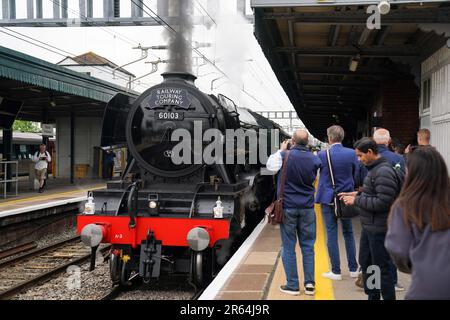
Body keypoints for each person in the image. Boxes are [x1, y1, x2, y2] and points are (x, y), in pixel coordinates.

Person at [385, 146, 450, 299]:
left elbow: (399, 250)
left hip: (428, 288)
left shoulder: (405, 206)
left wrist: (418, 265)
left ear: (412, 173)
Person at [340, 138, 399, 300]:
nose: (359, 160)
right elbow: (375, 193)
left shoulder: (383, 171)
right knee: (368, 265)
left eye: (360, 156)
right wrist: (357, 193)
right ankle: (373, 296)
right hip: (370, 227)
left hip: (379, 229)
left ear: (370, 152)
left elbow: (384, 201)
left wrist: (357, 200)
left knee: (382, 268)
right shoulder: (375, 169)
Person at [266, 129, 321, 296]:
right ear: (308, 143)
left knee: (288, 247)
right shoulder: (315, 159)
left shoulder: (284, 156)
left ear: (293, 141)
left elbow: (270, 167)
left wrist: (281, 150)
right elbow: (315, 178)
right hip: (307, 209)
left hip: (288, 208)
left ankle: (292, 285)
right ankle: (310, 284)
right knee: (308, 247)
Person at [316, 125, 359, 281]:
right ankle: (354, 269)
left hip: (328, 199)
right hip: (345, 198)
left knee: (331, 234)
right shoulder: (352, 154)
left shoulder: (322, 154)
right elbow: (357, 173)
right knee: (348, 233)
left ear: (329, 138)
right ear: (342, 137)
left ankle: (336, 271)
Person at [372, 128, 406, 291]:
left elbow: (358, 179)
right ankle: (392, 281)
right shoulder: (398, 158)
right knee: (391, 245)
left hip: (371, 212)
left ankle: (374, 284)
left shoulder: (368, 157)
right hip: (393, 209)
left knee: (372, 248)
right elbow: (403, 182)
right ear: (389, 141)